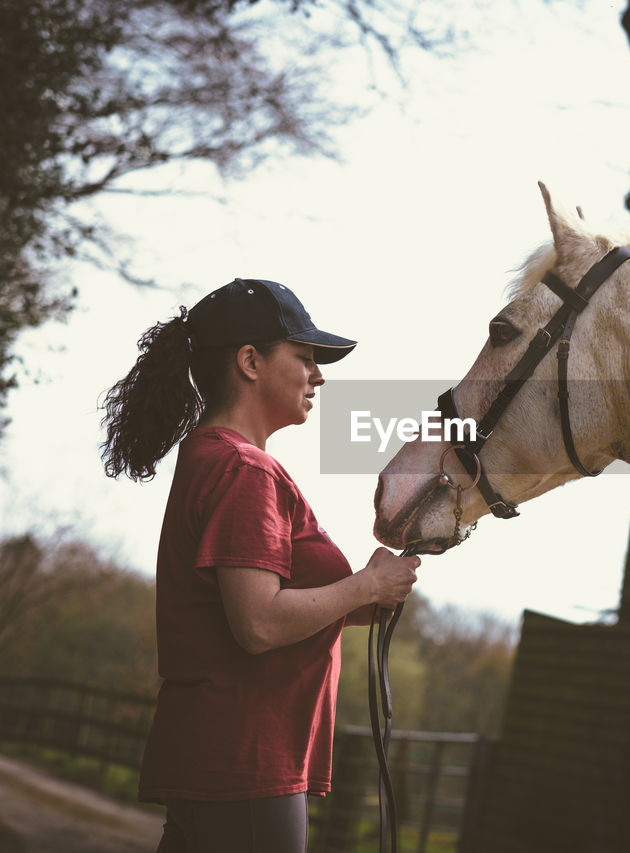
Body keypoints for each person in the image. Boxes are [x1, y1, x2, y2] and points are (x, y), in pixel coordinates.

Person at [100, 277, 420, 853]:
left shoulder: (214, 458)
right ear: (250, 362)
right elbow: (259, 624)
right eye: (304, 357)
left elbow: (244, 614)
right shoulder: (243, 469)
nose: (319, 375)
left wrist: (366, 597)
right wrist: (365, 584)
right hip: (245, 763)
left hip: (224, 759)